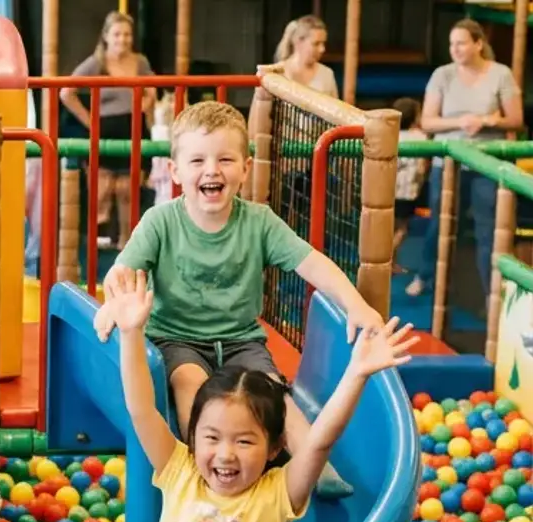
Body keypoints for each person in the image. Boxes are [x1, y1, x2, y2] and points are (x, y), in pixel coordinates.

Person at [14, 268, 417, 522]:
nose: (224, 454)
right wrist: (132, 333)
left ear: (275, 448)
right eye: (211, 438)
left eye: (244, 442)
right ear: (194, 437)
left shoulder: (278, 494)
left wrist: (357, 374)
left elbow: (317, 442)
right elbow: (140, 410)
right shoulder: (179, 469)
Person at [94, 101, 385, 492]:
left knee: (273, 391)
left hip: (240, 339)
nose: (212, 170)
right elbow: (123, 271)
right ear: (175, 170)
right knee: (189, 382)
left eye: (225, 159)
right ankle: (201, 465)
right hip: (177, 338)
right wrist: (114, 300)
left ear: (245, 168)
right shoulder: (161, 221)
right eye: (197, 160)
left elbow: (312, 263)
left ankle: (313, 462)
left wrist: (356, 304)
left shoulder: (259, 222)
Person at [407, 19, 524, 299]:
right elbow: (428, 121)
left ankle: (491, 292)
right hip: (448, 163)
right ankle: (425, 274)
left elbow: (516, 119)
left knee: (488, 230)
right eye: (451, 44)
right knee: (442, 224)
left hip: (487, 162)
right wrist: (461, 121)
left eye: (460, 43)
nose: (455, 49)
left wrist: (485, 121)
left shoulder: (500, 74)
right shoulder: (442, 75)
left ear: (478, 44)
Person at [60, 11, 155, 250]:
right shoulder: (97, 62)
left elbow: (153, 89)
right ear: (106, 36)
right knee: (102, 190)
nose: (122, 39)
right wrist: (90, 121)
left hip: (132, 127)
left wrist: (141, 108)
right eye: (117, 34)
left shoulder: (139, 61)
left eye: (127, 34)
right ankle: (94, 242)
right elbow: (66, 92)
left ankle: (127, 241)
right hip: (105, 129)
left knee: (128, 189)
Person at [392, 97, 429, 270]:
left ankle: (389, 262)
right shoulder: (421, 137)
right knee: (402, 229)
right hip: (408, 191)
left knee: (389, 229)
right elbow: (423, 166)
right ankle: (388, 263)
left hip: (389, 189)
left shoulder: (391, 135)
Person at [275, 15, 339, 97]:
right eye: (316, 44)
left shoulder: (327, 74)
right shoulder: (278, 72)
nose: (322, 49)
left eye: (323, 43)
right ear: (298, 41)